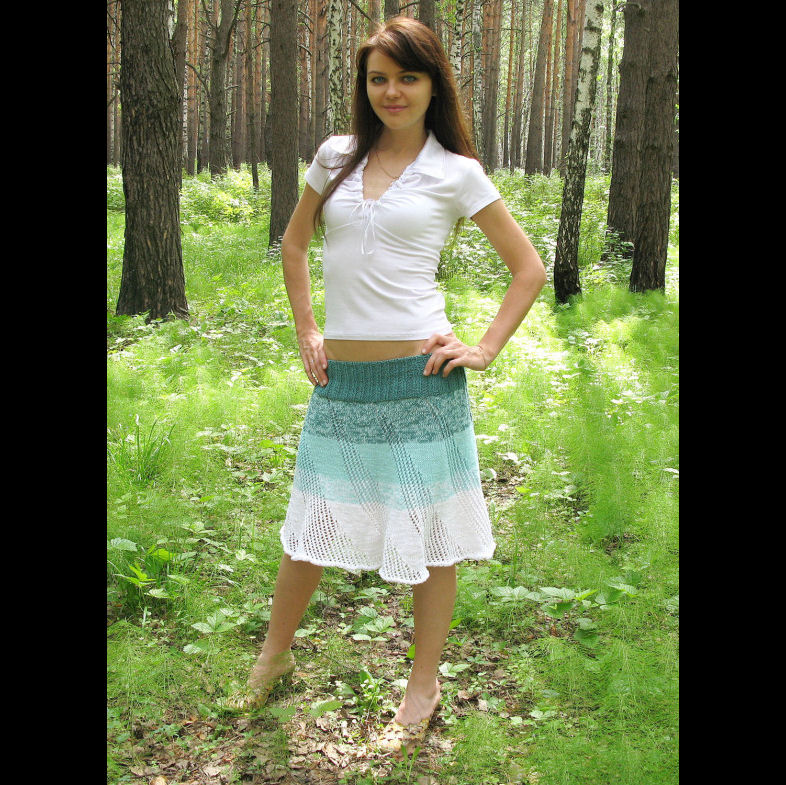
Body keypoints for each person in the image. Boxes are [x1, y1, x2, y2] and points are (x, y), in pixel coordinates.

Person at [230, 16, 547, 754]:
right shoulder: (335, 156)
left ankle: (422, 684)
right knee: (309, 526)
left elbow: (528, 269)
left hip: (420, 380)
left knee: (430, 537)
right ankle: (271, 659)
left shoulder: (456, 172)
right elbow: (295, 243)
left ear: (434, 86)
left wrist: (484, 348)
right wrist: (308, 330)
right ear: (363, 86)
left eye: (408, 77)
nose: (392, 92)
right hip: (342, 381)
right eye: (379, 79)